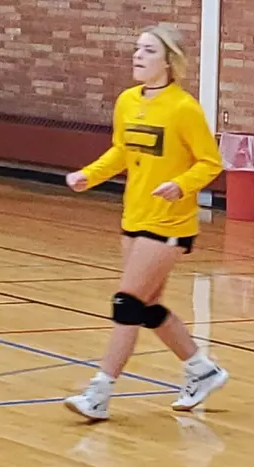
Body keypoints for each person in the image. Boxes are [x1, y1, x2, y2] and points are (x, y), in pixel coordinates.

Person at [62, 24, 229, 421]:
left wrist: (181, 184)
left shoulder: (183, 108)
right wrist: (90, 174)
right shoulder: (126, 101)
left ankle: (99, 392)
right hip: (134, 216)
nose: (137, 56)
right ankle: (201, 370)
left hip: (170, 222)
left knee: (127, 302)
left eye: (148, 50)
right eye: (136, 49)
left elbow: (211, 162)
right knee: (148, 306)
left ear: (168, 60)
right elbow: (122, 150)